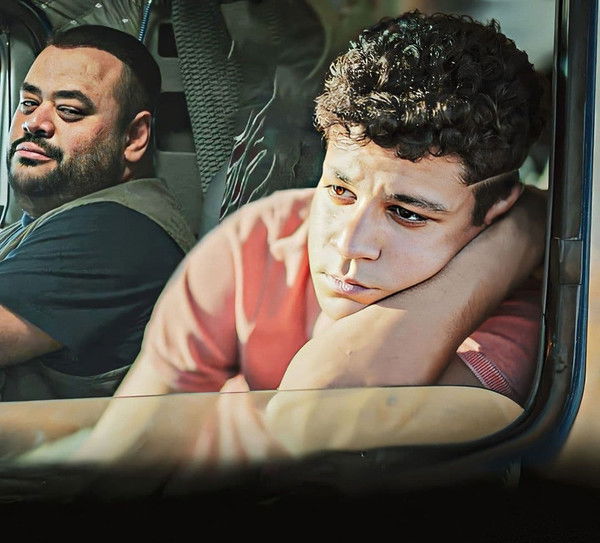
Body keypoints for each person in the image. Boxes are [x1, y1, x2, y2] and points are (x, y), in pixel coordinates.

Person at [117, 11, 548, 408]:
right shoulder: (257, 240)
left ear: (495, 211)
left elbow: (319, 410)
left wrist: (514, 241)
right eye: (340, 191)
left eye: (408, 214)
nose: (348, 243)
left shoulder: (524, 318)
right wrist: (528, 226)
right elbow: (129, 441)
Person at [1, 25, 195, 401]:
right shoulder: (52, 219)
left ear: (134, 137)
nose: (34, 123)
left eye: (69, 111)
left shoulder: (118, 233)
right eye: (29, 103)